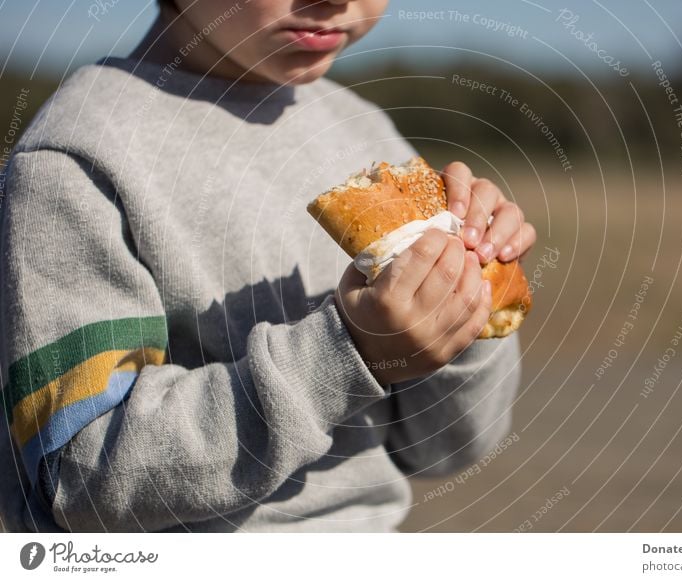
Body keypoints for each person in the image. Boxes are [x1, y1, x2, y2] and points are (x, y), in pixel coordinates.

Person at [0, 0, 536, 532]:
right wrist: (350, 353)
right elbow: (75, 481)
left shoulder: (360, 128)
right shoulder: (79, 158)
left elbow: (444, 450)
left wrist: (472, 298)